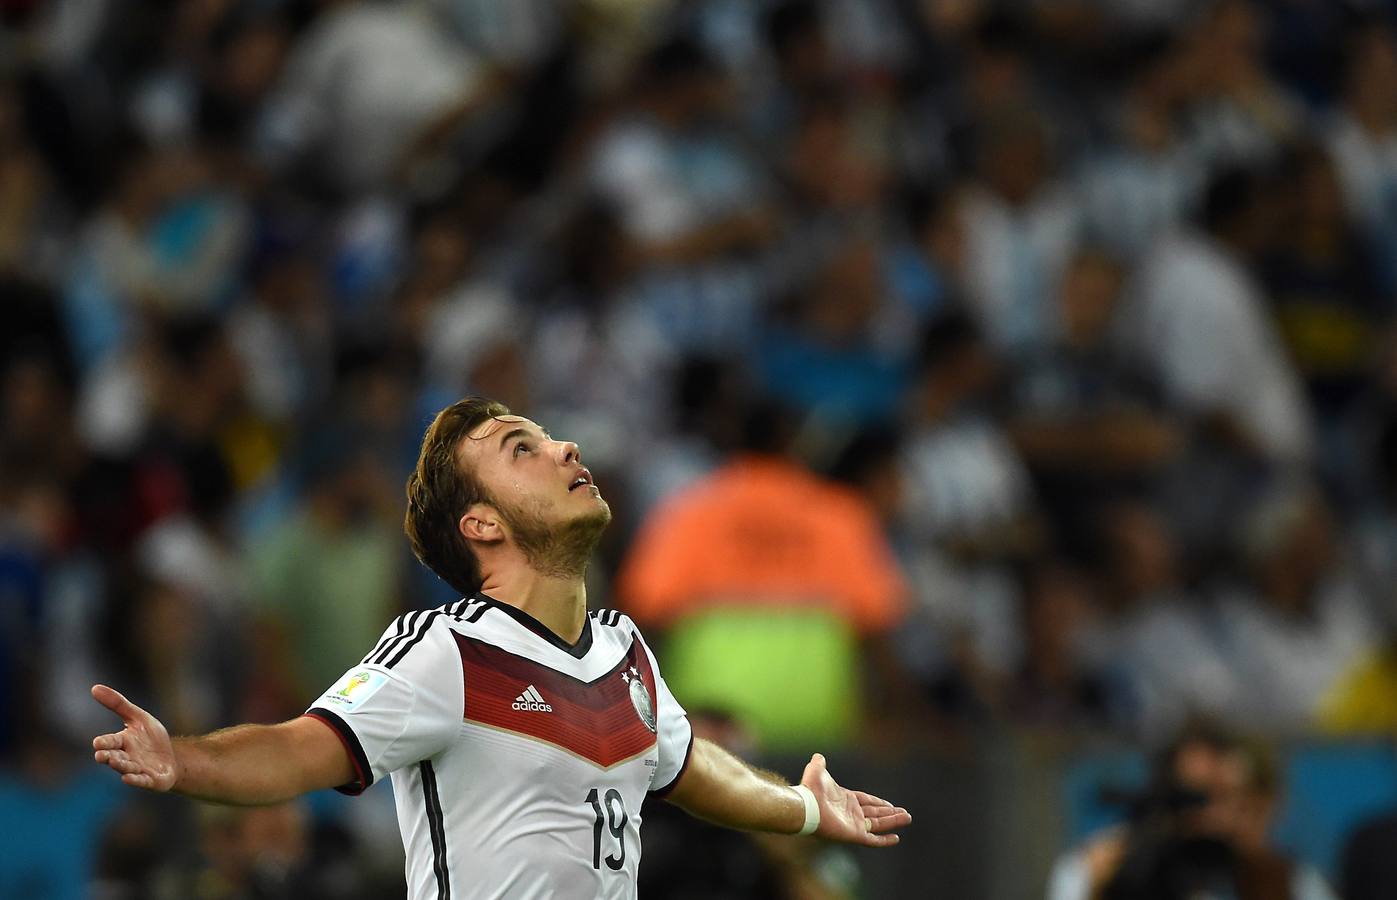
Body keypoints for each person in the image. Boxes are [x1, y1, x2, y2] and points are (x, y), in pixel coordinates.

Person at [89, 397, 912, 900]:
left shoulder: (626, 655)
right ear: (479, 525)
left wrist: (804, 808)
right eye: (524, 448)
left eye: (552, 438)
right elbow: (303, 748)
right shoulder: (445, 650)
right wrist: (182, 761)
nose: (566, 450)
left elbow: (694, 768)